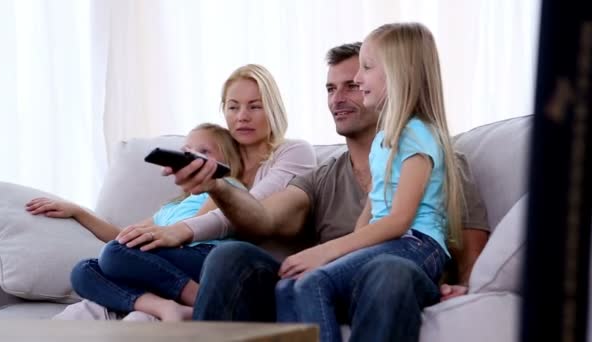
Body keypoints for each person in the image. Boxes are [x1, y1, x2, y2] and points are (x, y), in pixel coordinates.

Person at [171, 38, 489, 340]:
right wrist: (218, 186)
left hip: (397, 279)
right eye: (330, 89)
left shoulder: (439, 158)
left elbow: (471, 248)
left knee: (387, 271)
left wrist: (465, 285)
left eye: (351, 85)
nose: (337, 99)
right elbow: (263, 219)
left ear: (384, 85)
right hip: (326, 287)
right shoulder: (322, 177)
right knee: (230, 256)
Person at [48, 63, 317, 321]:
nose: (242, 116)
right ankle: (167, 307)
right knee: (88, 268)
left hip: (246, 265)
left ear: (273, 108)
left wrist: (178, 231)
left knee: (116, 254)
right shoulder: (215, 168)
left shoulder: (291, 153)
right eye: (233, 107)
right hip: (192, 259)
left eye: (255, 106)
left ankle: (197, 298)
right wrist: (78, 211)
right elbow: (127, 234)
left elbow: (252, 211)